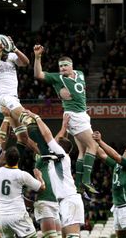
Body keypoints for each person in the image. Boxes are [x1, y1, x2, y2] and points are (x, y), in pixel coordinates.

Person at [33, 47, 98, 194]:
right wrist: (37, 57)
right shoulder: (58, 78)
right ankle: (86, 180)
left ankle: (79, 185)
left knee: (82, 150)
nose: (62, 68)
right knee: (93, 146)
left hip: (82, 115)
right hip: (73, 115)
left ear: (71, 66)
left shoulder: (80, 74)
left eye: (64, 65)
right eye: (60, 66)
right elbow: (39, 74)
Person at [29, 112, 85, 238]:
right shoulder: (56, 158)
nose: (52, 143)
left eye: (55, 143)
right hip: (64, 202)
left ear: (59, 147)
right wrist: (64, 126)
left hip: (70, 200)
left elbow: (47, 135)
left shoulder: (61, 154)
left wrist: (37, 117)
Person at [0, 146, 45, 238]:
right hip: (18, 215)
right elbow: (41, 188)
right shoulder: (22, 175)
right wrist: (39, 176)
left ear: (5, 159)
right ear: (18, 160)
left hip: (2, 218)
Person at [0, 35, 37, 155]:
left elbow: (26, 62)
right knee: (29, 120)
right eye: (0, 50)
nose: (4, 53)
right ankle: (47, 148)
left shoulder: (11, 56)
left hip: (13, 99)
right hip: (3, 98)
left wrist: (15, 49)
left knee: (23, 137)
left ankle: (41, 156)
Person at [92, 131, 126, 238]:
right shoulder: (117, 165)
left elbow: (115, 155)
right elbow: (102, 154)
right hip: (118, 208)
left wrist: (100, 141)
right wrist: (88, 138)